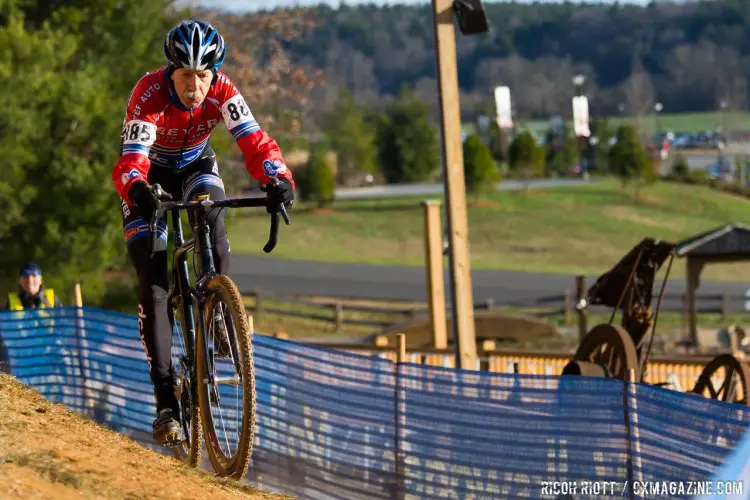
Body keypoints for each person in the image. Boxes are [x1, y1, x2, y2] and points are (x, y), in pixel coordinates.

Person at [112, 20, 295, 446]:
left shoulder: (224, 92)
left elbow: (255, 141)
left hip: (196, 166)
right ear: (170, 72)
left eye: (202, 76)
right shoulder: (149, 94)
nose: (194, 87)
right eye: (185, 77)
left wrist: (277, 179)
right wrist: (138, 191)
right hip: (149, 178)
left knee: (212, 216)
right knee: (153, 278)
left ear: (213, 74)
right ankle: (166, 403)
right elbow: (131, 161)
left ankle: (216, 312)